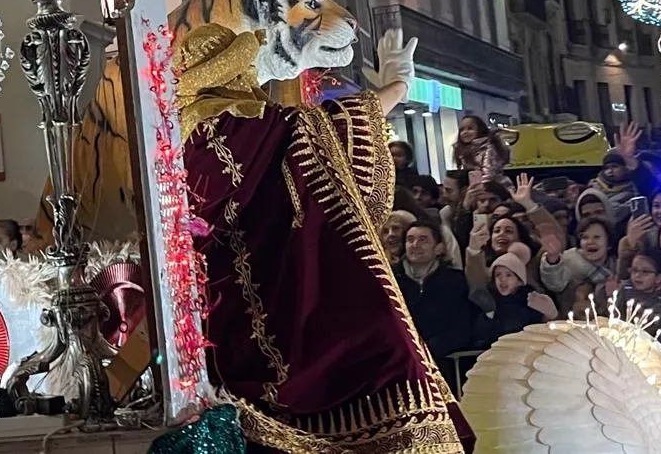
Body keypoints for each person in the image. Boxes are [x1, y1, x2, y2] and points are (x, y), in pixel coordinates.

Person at [173, 23, 470, 452]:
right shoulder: (232, 126)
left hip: (232, 322)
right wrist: (398, 86)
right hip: (307, 315)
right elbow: (327, 129)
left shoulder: (176, 138)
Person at [395, 219, 475, 382]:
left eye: (423, 240)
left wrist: (428, 350)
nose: (415, 245)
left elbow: (463, 326)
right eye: (410, 240)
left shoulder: (455, 281)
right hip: (400, 366)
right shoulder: (391, 279)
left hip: (443, 366)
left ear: (439, 248)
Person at [473, 243, 557, 349]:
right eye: (498, 275)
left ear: (519, 280)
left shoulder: (531, 301)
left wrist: (549, 314)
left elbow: (540, 330)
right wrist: (488, 317)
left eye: (509, 275)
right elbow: (481, 333)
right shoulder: (489, 300)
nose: (502, 280)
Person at [539, 216, 615, 315]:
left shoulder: (615, 265)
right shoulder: (569, 260)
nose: (590, 242)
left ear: (608, 243)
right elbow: (555, 284)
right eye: (585, 237)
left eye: (596, 237)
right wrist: (553, 258)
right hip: (570, 323)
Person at [598, 250, 661, 341]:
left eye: (645, 272)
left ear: (658, 278)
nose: (638, 275)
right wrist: (611, 296)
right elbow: (612, 318)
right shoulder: (625, 289)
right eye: (634, 270)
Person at [452, 114, 511, 184]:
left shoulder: (489, 146)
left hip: (496, 188)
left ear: (480, 130)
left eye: (470, 128)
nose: (465, 132)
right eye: (462, 130)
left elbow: (489, 174)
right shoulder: (464, 151)